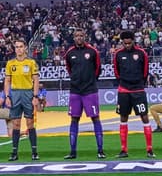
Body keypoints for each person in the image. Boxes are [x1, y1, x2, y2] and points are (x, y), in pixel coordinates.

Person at [63, 28, 105, 160]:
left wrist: (90, 81)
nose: (79, 38)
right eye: (77, 36)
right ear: (74, 38)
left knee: (95, 118)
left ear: (85, 36)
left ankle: (100, 150)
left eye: (81, 35)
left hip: (90, 91)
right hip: (75, 91)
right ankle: (73, 151)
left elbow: (98, 69)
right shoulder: (70, 53)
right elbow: (69, 69)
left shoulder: (92, 51)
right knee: (74, 119)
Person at [113, 30, 155, 158]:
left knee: (144, 117)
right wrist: (124, 82)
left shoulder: (141, 53)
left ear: (133, 41)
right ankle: (124, 150)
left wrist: (139, 83)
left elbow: (145, 71)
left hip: (138, 90)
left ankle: (149, 149)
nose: (127, 45)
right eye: (125, 43)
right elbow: (116, 72)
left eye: (129, 43)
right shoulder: (118, 54)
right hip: (124, 91)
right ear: (122, 42)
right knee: (123, 118)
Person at [3, 40, 41, 161]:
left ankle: (34, 152)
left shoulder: (31, 63)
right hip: (15, 94)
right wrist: (7, 96)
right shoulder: (10, 63)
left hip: (27, 93)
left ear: (25, 48)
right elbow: (7, 81)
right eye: (16, 47)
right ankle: (14, 153)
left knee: (30, 123)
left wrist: (35, 96)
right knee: (16, 124)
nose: (19, 49)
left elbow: (36, 80)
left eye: (21, 47)